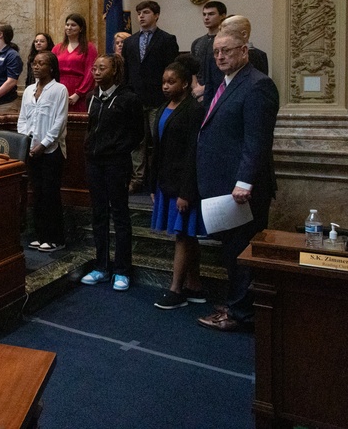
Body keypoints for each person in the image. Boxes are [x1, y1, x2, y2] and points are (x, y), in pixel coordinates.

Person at [196, 23, 279, 332]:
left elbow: (257, 140)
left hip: (243, 190)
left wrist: (244, 181)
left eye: (226, 51)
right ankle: (236, 304)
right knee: (232, 252)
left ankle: (241, 315)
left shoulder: (258, 84)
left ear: (244, 51)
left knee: (243, 253)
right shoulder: (226, 82)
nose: (219, 56)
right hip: (223, 187)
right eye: (216, 52)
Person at [148, 57, 207, 309]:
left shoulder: (193, 110)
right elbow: (157, 150)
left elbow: (193, 153)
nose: (165, 86)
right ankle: (194, 285)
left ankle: (176, 290)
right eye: (163, 82)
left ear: (184, 83)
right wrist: (153, 184)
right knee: (187, 236)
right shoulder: (163, 108)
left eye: (171, 82)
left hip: (184, 185)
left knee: (183, 235)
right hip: (166, 181)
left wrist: (186, 191)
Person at [81, 54, 144, 292]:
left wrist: (118, 148)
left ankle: (122, 269)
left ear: (115, 71)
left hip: (116, 163)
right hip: (94, 162)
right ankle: (101, 266)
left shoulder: (128, 99)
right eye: (94, 68)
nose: (96, 72)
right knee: (98, 213)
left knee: (119, 214)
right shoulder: (92, 97)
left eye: (101, 68)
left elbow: (137, 133)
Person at [121, 1, 179, 193]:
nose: (141, 16)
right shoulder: (130, 41)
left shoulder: (167, 39)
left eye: (146, 12)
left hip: (158, 98)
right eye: (139, 13)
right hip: (135, 98)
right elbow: (126, 70)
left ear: (156, 15)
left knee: (158, 139)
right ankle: (138, 178)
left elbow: (172, 70)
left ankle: (158, 178)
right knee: (137, 141)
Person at [18, 52, 69, 252]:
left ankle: (55, 238)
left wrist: (43, 144)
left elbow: (59, 121)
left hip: (51, 151)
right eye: (34, 63)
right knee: (37, 194)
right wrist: (26, 142)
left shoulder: (59, 90)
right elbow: (23, 119)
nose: (36, 66)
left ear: (51, 67)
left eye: (42, 63)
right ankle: (40, 235)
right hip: (31, 149)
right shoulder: (29, 90)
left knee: (50, 194)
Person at [203, 14, 270, 107]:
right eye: (221, 31)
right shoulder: (213, 57)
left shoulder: (258, 59)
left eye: (227, 51)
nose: (220, 57)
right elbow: (209, 91)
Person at [53, 13, 98, 113]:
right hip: (59, 90)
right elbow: (51, 70)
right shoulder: (57, 48)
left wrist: (79, 94)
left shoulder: (89, 48)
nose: (69, 28)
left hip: (80, 93)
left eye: (73, 25)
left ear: (81, 28)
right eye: (67, 25)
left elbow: (90, 73)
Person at [190, 0, 227, 102]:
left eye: (211, 14)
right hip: (197, 93)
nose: (206, 17)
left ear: (222, 16)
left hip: (220, 91)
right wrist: (196, 87)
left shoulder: (226, 42)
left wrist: (205, 89)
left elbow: (227, 70)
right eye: (204, 14)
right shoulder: (197, 42)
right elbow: (192, 68)